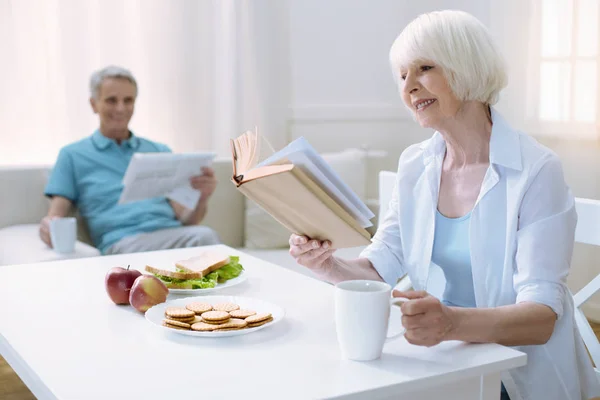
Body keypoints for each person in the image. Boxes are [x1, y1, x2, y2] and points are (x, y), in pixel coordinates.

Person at [288, 10, 600, 400]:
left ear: (465, 66)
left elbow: (541, 319)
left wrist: (451, 323)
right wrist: (328, 264)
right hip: (439, 358)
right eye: (402, 75)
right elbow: (380, 265)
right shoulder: (415, 165)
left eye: (425, 68)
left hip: (513, 374)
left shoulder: (537, 171)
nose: (409, 87)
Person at [39, 65, 220, 255]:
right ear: (93, 104)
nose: (120, 108)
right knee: (205, 238)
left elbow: (188, 221)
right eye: (111, 100)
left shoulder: (160, 151)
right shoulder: (72, 155)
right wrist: (49, 227)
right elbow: (55, 217)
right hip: (122, 243)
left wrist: (203, 197)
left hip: (173, 235)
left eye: (128, 100)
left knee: (204, 237)